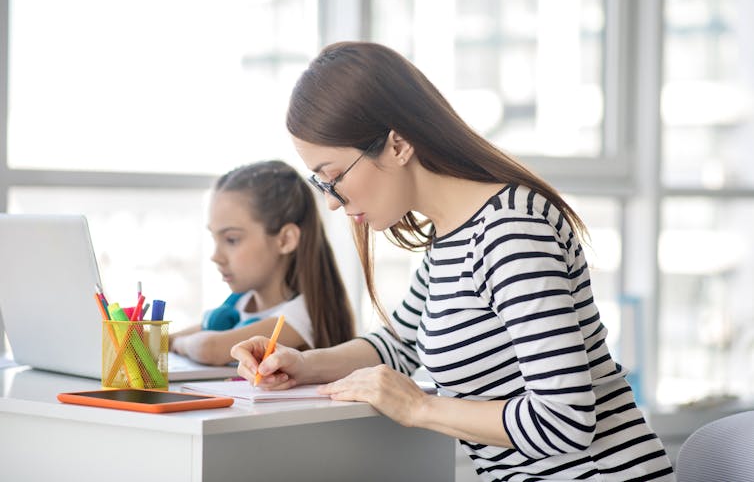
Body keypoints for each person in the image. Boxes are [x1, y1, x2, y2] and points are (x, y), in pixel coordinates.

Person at [230, 42, 675, 481]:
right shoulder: (451, 237)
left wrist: (420, 407)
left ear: (398, 144)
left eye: (334, 177)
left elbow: (566, 418)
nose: (331, 203)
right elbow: (399, 344)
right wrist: (303, 364)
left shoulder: (510, 230)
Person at [170, 160, 355, 365]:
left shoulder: (301, 316)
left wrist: (178, 344)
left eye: (231, 239)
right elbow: (185, 337)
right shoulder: (239, 303)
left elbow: (210, 348)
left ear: (285, 240)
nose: (216, 256)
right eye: (214, 238)